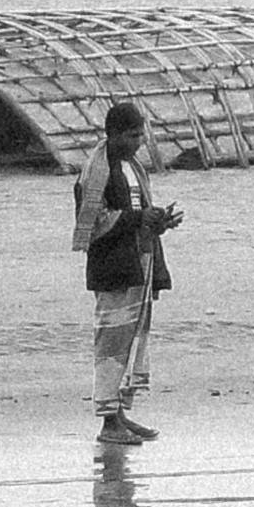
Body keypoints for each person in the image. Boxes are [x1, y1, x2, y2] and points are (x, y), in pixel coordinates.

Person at [75, 100, 173, 441]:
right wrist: (136, 219)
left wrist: (158, 221)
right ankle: (108, 423)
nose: (140, 141)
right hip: (113, 268)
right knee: (111, 344)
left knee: (129, 341)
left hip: (137, 261)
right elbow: (92, 223)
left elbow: (135, 213)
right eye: (133, 135)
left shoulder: (133, 167)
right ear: (114, 135)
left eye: (141, 133)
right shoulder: (95, 172)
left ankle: (119, 414)